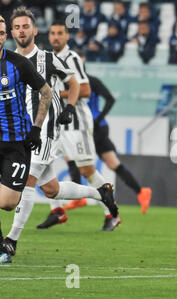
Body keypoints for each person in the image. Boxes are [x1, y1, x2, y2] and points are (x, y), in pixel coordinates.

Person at [0, 8, 119, 261]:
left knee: (28, 182)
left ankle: (11, 241)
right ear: (12, 33)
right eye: (17, 27)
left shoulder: (47, 58)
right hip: (20, 132)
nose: (22, 31)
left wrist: (69, 108)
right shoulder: (7, 62)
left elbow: (74, 82)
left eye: (26, 26)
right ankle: (101, 192)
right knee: (51, 190)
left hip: (44, 129)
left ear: (34, 30)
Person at [40, 20, 120, 231]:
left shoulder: (72, 58)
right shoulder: (49, 58)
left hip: (77, 123)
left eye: (60, 33)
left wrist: (56, 94)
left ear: (67, 36)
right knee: (41, 161)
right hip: (58, 124)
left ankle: (112, 213)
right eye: (53, 33)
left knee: (87, 170)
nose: (55, 37)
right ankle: (57, 211)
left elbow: (85, 90)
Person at [62, 50, 152, 216]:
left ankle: (81, 199)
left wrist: (98, 118)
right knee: (112, 163)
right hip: (91, 126)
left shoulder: (89, 82)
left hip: (95, 127)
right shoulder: (72, 82)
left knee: (75, 157)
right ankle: (141, 192)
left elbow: (110, 98)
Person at [0, 14, 52, 263]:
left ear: (5, 36)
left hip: (17, 142)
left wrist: (36, 128)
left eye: (1, 33)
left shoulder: (18, 64)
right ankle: (2, 245)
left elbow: (46, 92)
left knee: (9, 203)